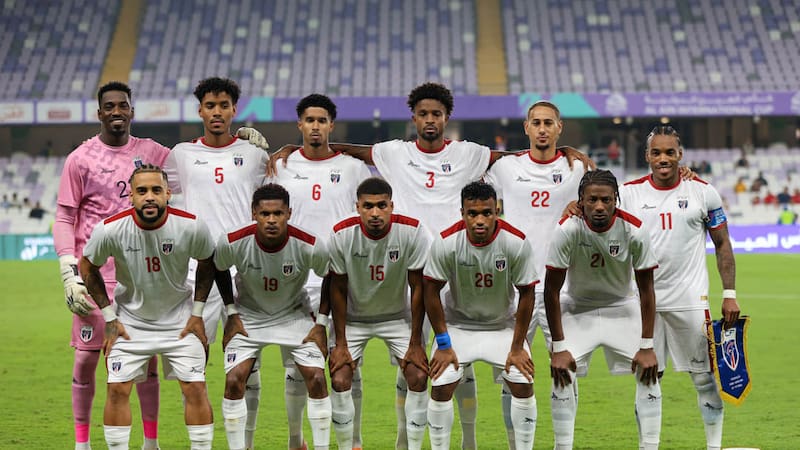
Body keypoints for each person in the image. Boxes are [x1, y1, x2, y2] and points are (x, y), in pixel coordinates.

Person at [270, 82, 592, 449]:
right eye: (423, 114)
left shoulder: (468, 153)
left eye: (436, 114)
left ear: (446, 117)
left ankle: (467, 441)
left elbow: (514, 157)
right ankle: (403, 440)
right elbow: (349, 149)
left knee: (453, 363)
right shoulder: (394, 152)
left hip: (456, 271)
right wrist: (297, 148)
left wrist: (559, 151)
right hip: (410, 275)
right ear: (414, 117)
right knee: (416, 364)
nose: (429, 120)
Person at [54, 81, 168, 450]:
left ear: (132, 111)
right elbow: (64, 217)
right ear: (99, 113)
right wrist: (69, 273)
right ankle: (82, 444)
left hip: (141, 277)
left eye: (123, 105)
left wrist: (240, 141)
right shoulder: (80, 158)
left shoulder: (152, 152)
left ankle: (150, 443)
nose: (116, 111)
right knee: (86, 360)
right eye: (109, 106)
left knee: (146, 363)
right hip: (94, 278)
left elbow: (197, 161)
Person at [163, 76, 270, 449]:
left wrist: (270, 150)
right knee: (192, 362)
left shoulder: (254, 155)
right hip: (198, 273)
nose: (217, 112)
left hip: (245, 271)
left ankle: (246, 443)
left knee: (246, 363)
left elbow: (275, 193)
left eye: (224, 105)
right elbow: (158, 190)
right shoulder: (180, 155)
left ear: (234, 110)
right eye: (210, 106)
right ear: (200, 111)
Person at [78, 164, 216, 449]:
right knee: (117, 390)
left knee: (195, 388)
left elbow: (208, 261)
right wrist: (109, 317)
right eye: (141, 191)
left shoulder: (191, 225)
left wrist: (197, 314)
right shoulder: (110, 229)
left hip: (180, 322)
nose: (149, 197)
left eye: (156, 190)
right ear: (131, 196)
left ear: (168, 193)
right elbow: (88, 266)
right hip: (130, 324)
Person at [620, 125, 740, 450]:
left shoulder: (703, 192)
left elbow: (723, 244)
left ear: (680, 155)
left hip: (690, 300)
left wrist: (729, 294)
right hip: (644, 302)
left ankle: (714, 446)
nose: (663, 158)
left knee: (704, 378)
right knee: (647, 376)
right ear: (647, 156)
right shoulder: (628, 194)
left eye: (669, 152)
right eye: (657, 152)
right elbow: (596, 212)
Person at [267, 93, 372, 450]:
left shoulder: (353, 169)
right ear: (300, 124)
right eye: (309, 120)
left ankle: (353, 440)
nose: (315, 126)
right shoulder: (280, 166)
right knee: (296, 367)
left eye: (321, 120)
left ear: (331, 125)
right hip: (295, 281)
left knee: (347, 364)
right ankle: (295, 440)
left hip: (342, 278)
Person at [484, 100, 587, 448]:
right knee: (511, 372)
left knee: (564, 370)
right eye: (536, 123)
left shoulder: (578, 169)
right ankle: (516, 445)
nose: (542, 128)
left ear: (559, 128)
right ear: (526, 128)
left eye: (548, 123)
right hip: (516, 288)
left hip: (563, 288)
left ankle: (563, 446)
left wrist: (582, 204)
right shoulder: (505, 168)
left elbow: (604, 198)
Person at [544, 169, 662, 450]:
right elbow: (551, 291)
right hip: (577, 308)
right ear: (581, 201)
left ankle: (650, 446)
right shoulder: (567, 230)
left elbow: (647, 290)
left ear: (615, 199)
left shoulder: (634, 229)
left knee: (649, 371)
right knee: (562, 372)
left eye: (606, 200)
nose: (599, 206)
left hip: (621, 307)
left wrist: (647, 345)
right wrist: (558, 348)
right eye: (592, 200)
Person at [215, 183, 332, 450]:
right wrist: (231, 313)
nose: (271, 220)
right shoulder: (233, 241)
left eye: (278, 213)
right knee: (234, 380)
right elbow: (218, 268)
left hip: (294, 314)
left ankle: (303, 443)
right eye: (265, 213)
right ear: (253, 213)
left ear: (289, 213)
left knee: (316, 378)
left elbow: (331, 275)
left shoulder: (310, 244)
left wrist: (321, 324)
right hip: (249, 316)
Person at [424, 181, 539, 450]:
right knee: (440, 385)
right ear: (462, 213)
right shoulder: (446, 242)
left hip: (502, 326)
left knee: (523, 383)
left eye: (487, 213)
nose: (479, 220)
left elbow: (527, 293)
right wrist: (443, 344)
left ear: (497, 211)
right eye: (472, 213)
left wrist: (517, 347)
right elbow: (431, 291)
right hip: (458, 326)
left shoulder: (516, 242)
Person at [327, 178, 430, 450]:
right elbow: (337, 289)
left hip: (397, 317)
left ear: (392, 206)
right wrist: (340, 344)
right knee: (339, 378)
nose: (375, 213)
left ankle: (406, 445)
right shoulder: (341, 234)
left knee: (419, 376)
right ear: (357, 207)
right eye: (368, 206)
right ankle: (352, 444)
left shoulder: (412, 231)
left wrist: (416, 342)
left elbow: (418, 288)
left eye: (382, 206)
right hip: (353, 319)